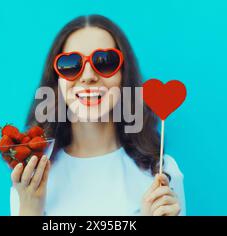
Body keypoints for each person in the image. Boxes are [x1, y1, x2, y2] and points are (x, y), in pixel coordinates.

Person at [10, 15, 186, 216]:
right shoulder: (31, 177)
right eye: (71, 64)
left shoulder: (162, 173)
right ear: (57, 80)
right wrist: (29, 209)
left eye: (105, 62)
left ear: (123, 75)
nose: (88, 76)